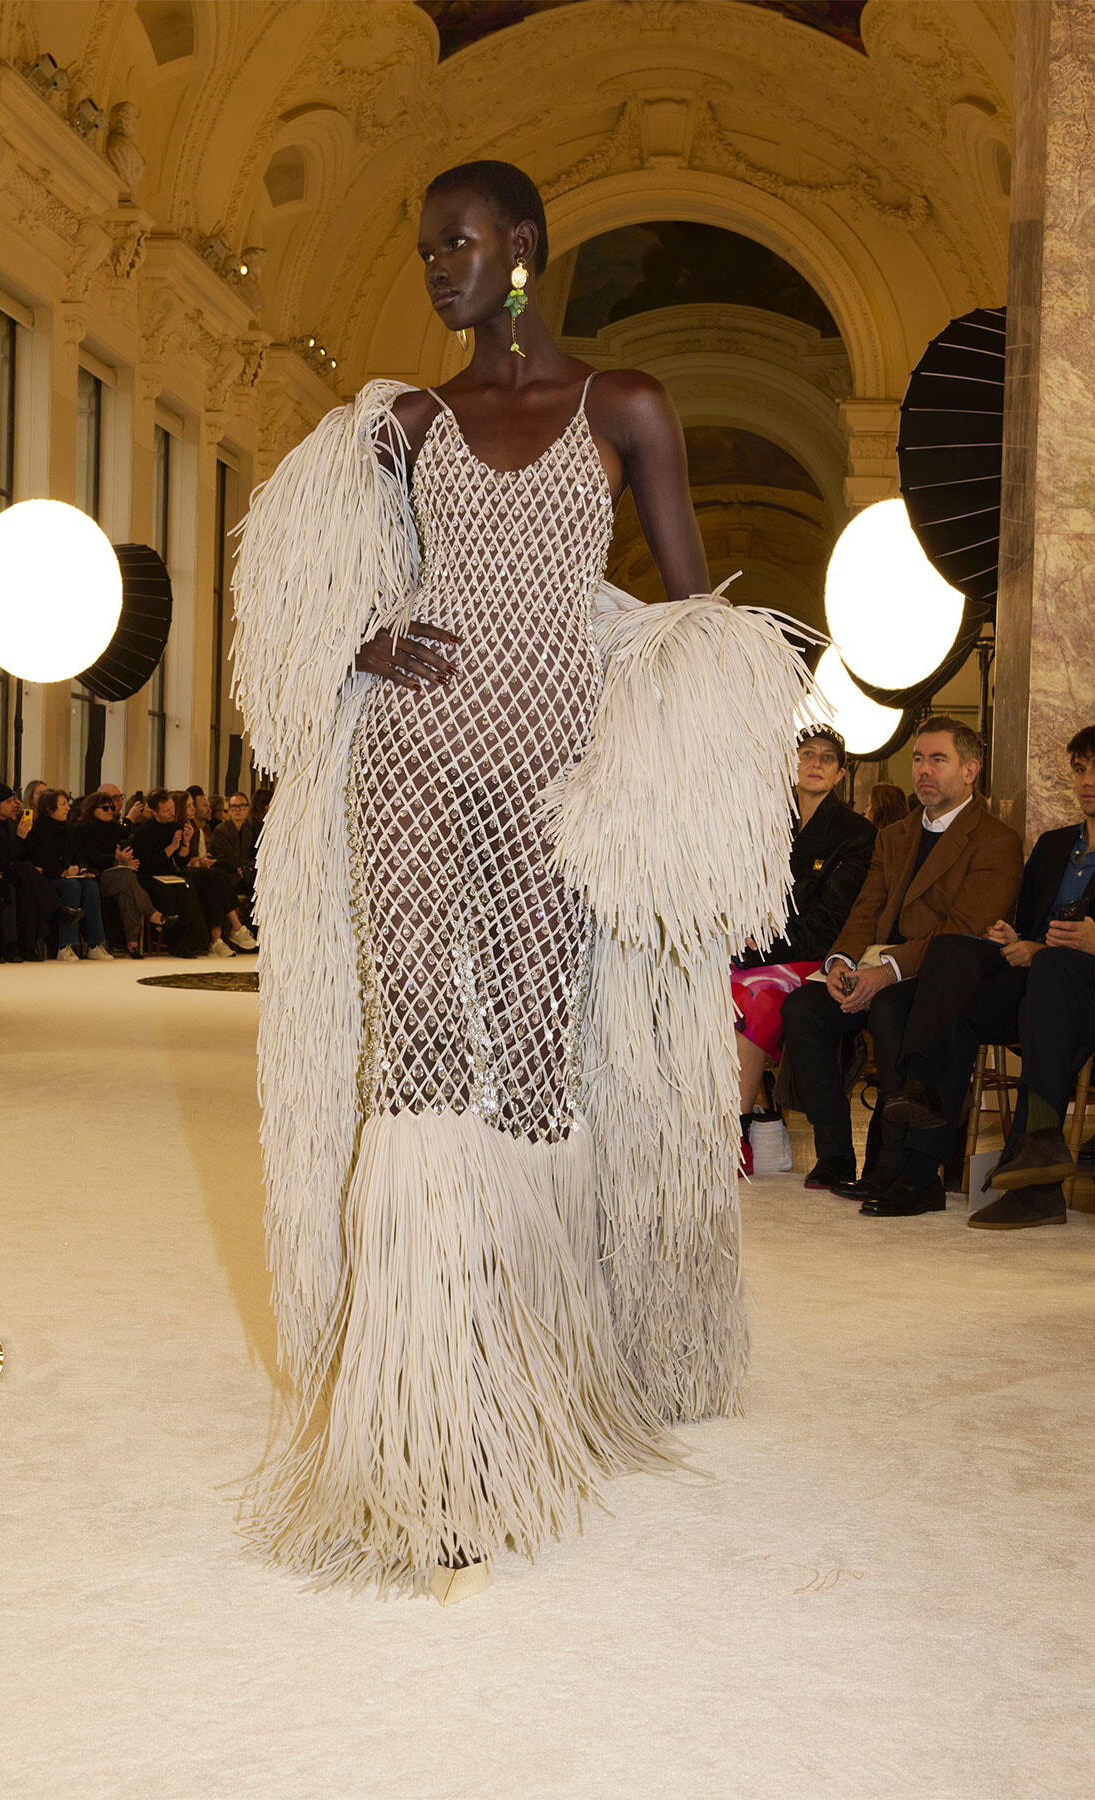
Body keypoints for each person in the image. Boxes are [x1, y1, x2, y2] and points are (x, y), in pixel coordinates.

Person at [231, 159, 816, 1600]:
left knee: (541, 1067)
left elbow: (698, 618)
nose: (438, 266)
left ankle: (543, 1377)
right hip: (412, 757)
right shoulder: (405, 425)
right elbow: (311, 577)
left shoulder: (625, 405)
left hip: (548, 774)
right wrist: (357, 640)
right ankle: (428, 1431)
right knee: (421, 1055)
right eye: (425, 247)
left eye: (461, 243)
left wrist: (688, 764)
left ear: (523, 250)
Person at [780, 715, 1021, 1211]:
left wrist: (885, 972)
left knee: (892, 1009)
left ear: (970, 770)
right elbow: (865, 911)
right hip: (874, 966)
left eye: (938, 759)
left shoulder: (996, 840)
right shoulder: (894, 834)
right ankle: (835, 1155)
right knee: (803, 1009)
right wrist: (840, 962)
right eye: (918, 759)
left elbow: (960, 929)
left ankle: (889, 1166)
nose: (924, 770)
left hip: (937, 977)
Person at [882, 724, 1095, 1227]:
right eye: (1080, 769)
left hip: (1082, 991)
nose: (1088, 780)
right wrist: (1013, 938)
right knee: (954, 958)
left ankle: (1036, 1172)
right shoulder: (1054, 846)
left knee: (1052, 966)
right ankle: (922, 1159)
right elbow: (1031, 928)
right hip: (1038, 986)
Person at [731, 724, 874, 1173]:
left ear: (840, 774)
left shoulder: (855, 833)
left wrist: (762, 945)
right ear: (790, 762)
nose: (815, 763)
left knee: (749, 995)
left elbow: (831, 919)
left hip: (812, 956)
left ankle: (734, 1133)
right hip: (749, 947)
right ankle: (744, 1119)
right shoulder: (763, 820)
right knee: (697, 984)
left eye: (827, 758)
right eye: (807, 753)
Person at [0, 782, 73, 959]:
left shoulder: (12, 824)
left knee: (29, 884)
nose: (14, 805)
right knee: (26, 873)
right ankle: (58, 910)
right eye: (8, 801)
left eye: (14, 800)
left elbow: (25, 853)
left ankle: (26, 946)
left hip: (15, 871)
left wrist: (25, 845)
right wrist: (19, 838)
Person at [75, 792, 175, 959]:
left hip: (117, 874)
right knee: (126, 877)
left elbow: (130, 847)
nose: (110, 810)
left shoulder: (115, 829)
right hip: (95, 875)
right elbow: (90, 856)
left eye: (112, 807)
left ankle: (132, 942)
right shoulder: (83, 829)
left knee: (125, 892)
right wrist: (115, 858)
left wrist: (128, 860)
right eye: (105, 808)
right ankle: (153, 914)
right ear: (92, 810)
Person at [23, 791, 114, 962]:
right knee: (72, 887)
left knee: (91, 886)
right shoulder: (38, 830)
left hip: (72, 875)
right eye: (63, 804)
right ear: (50, 808)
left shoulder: (70, 829)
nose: (68, 808)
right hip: (49, 879)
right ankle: (65, 945)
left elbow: (80, 854)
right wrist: (61, 872)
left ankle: (95, 944)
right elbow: (38, 859)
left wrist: (82, 868)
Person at [173, 790, 257, 956]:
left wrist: (246, 867)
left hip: (212, 872)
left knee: (220, 885)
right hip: (221, 873)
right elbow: (219, 857)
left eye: (242, 806)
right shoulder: (220, 830)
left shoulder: (249, 830)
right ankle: (235, 929)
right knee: (218, 878)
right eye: (189, 806)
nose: (193, 809)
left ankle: (218, 939)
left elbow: (255, 855)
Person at [131, 788, 211, 957]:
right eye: (166, 810)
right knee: (169, 893)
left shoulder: (175, 827)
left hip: (169, 874)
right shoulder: (143, 832)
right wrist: (172, 846)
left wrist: (185, 843)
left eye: (173, 808)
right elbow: (149, 863)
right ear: (154, 812)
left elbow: (181, 861)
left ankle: (190, 940)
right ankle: (174, 941)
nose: (172, 813)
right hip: (149, 876)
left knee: (186, 887)